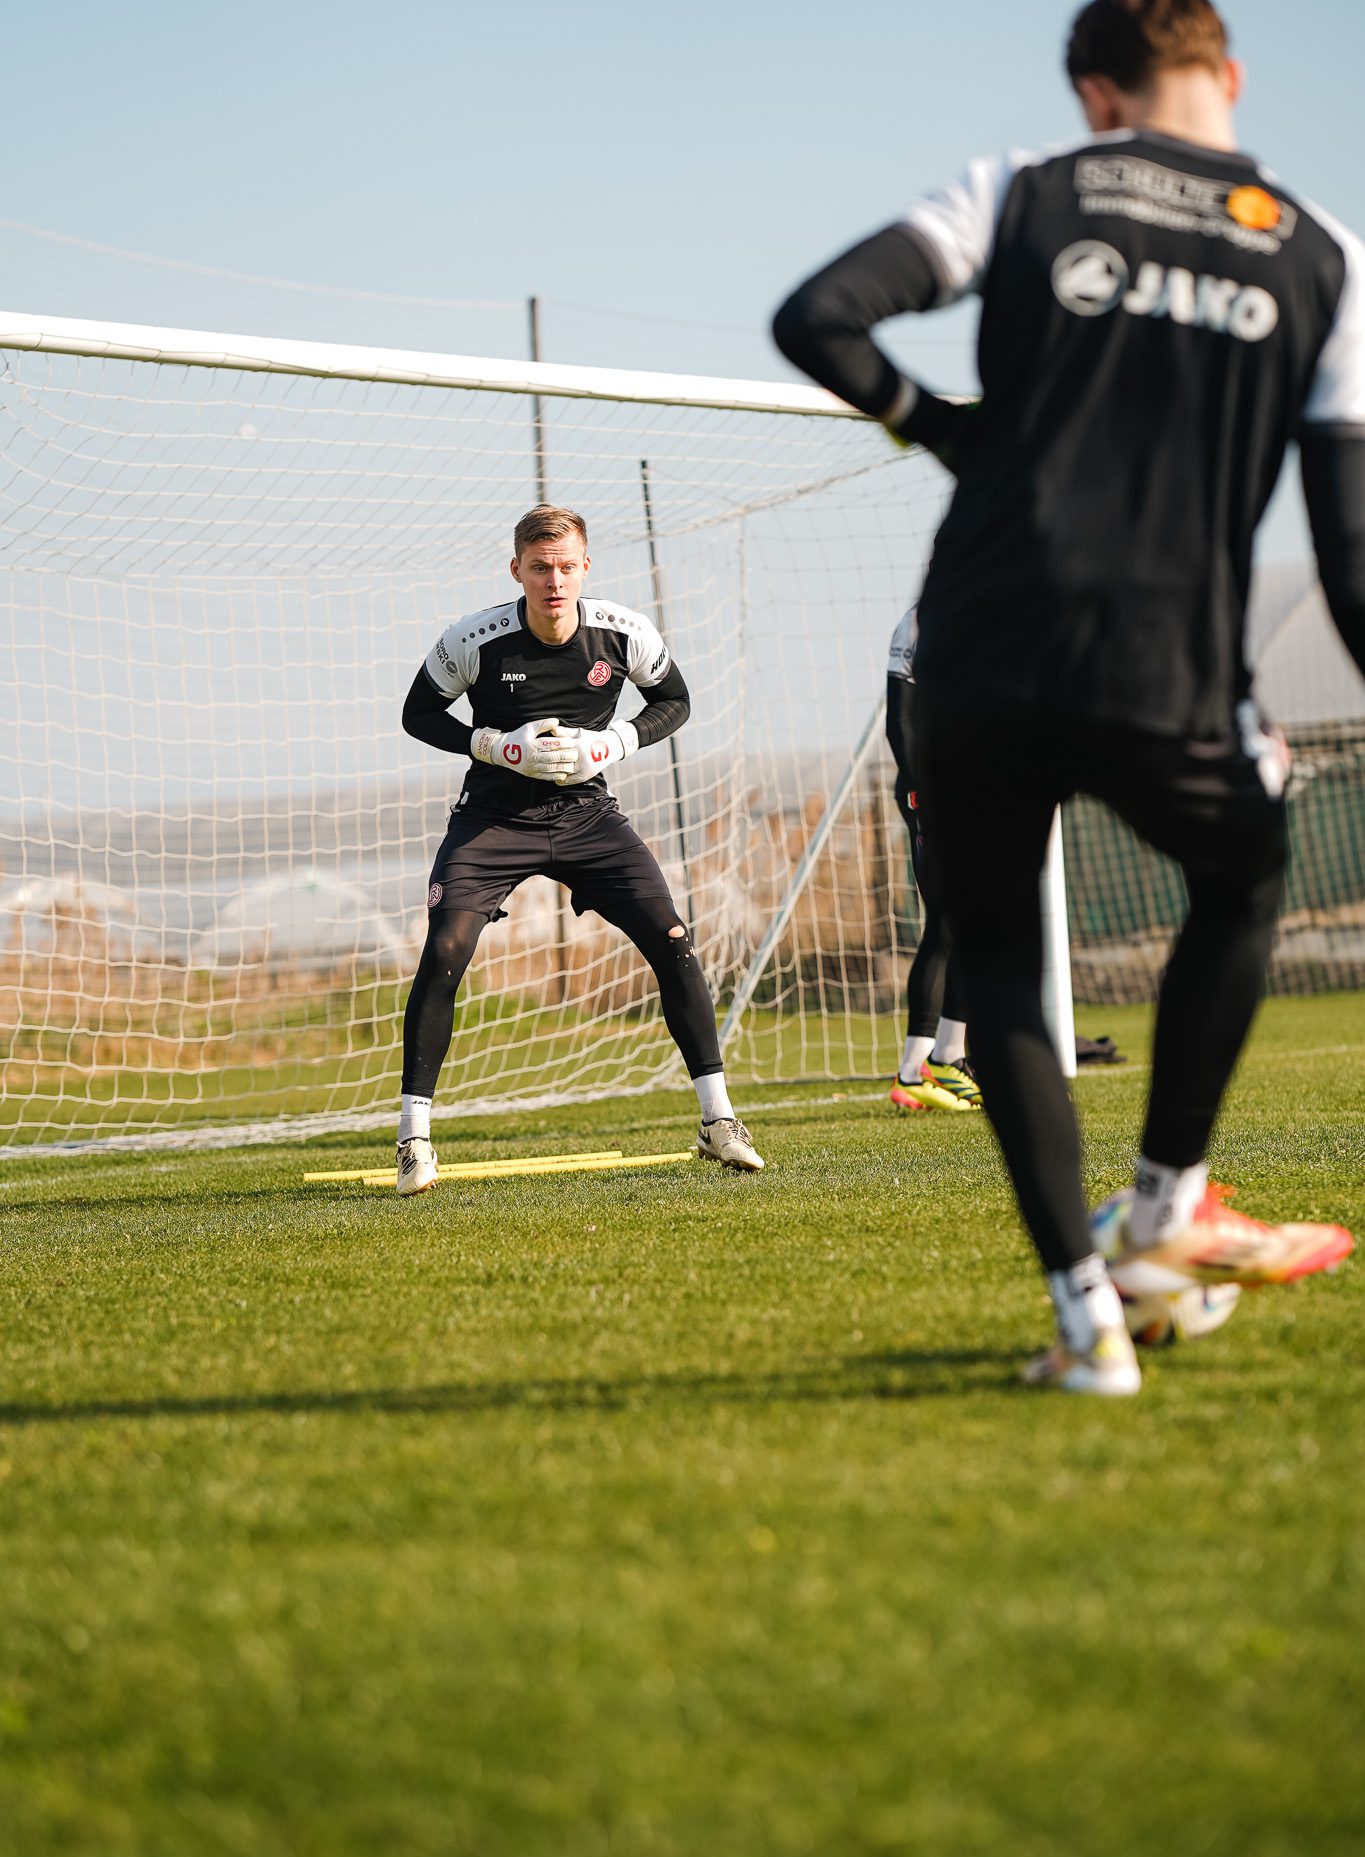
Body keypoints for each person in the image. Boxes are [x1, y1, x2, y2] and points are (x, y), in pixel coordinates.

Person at [773, 0, 1356, 1393]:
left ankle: (1088, 1323)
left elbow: (816, 317)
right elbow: (1348, 558)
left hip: (976, 643)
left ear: (1096, 93)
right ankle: (1165, 1205)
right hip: (1168, 660)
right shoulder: (1324, 253)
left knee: (1003, 975)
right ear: (1230, 73)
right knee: (1242, 878)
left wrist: (945, 430)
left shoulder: (1024, 188)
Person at [394, 504, 763, 1194]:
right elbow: (417, 713)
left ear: (585, 567)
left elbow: (674, 701)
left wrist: (613, 742)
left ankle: (719, 1120)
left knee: (673, 939)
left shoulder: (624, 632)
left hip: (588, 816)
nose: (554, 581)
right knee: (445, 946)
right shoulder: (473, 639)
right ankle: (413, 1139)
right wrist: (493, 746)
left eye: (566, 567)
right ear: (517, 570)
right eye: (540, 568)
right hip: (493, 818)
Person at [885, 605, 982, 1113]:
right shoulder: (922, 620)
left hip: (978, 787)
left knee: (972, 923)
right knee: (946, 923)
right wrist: (924, 788)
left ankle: (947, 1058)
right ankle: (913, 1070)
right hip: (935, 792)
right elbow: (898, 719)